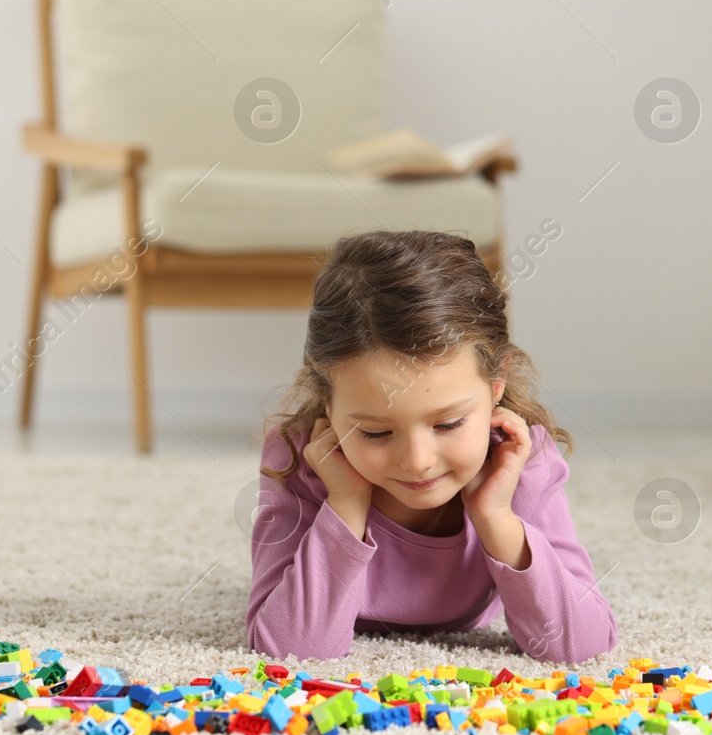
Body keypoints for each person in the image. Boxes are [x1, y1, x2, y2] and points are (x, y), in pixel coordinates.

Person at [247, 229, 617, 663]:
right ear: (327, 404)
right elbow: (290, 652)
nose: (418, 462)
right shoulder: (300, 460)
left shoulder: (520, 460)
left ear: (496, 386)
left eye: (449, 423)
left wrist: (496, 516)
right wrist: (345, 502)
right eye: (375, 432)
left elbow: (582, 646)